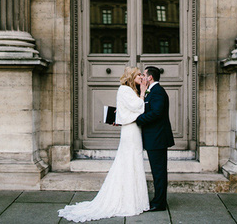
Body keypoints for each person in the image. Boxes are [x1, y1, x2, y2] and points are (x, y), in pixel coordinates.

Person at [58, 67, 149, 222]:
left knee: (132, 161)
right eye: (139, 74)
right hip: (131, 131)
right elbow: (138, 107)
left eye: (142, 74)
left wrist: (141, 93)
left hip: (133, 129)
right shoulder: (124, 90)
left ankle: (133, 198)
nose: (142, 76)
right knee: (129, 162)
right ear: (132, 76)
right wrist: (142, 92)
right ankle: (127, 200)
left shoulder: (128, 91)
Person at [136, 66, 175, 212]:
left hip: (158, 138)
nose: (142, 76)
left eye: (144, 74)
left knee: (159, 172)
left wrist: (138, 119)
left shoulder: (158, 92)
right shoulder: (151, 91)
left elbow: (157, 112)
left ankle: (159, 203)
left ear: (150, 77)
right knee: (157, 171)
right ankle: (158, 200)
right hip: (154, 138)